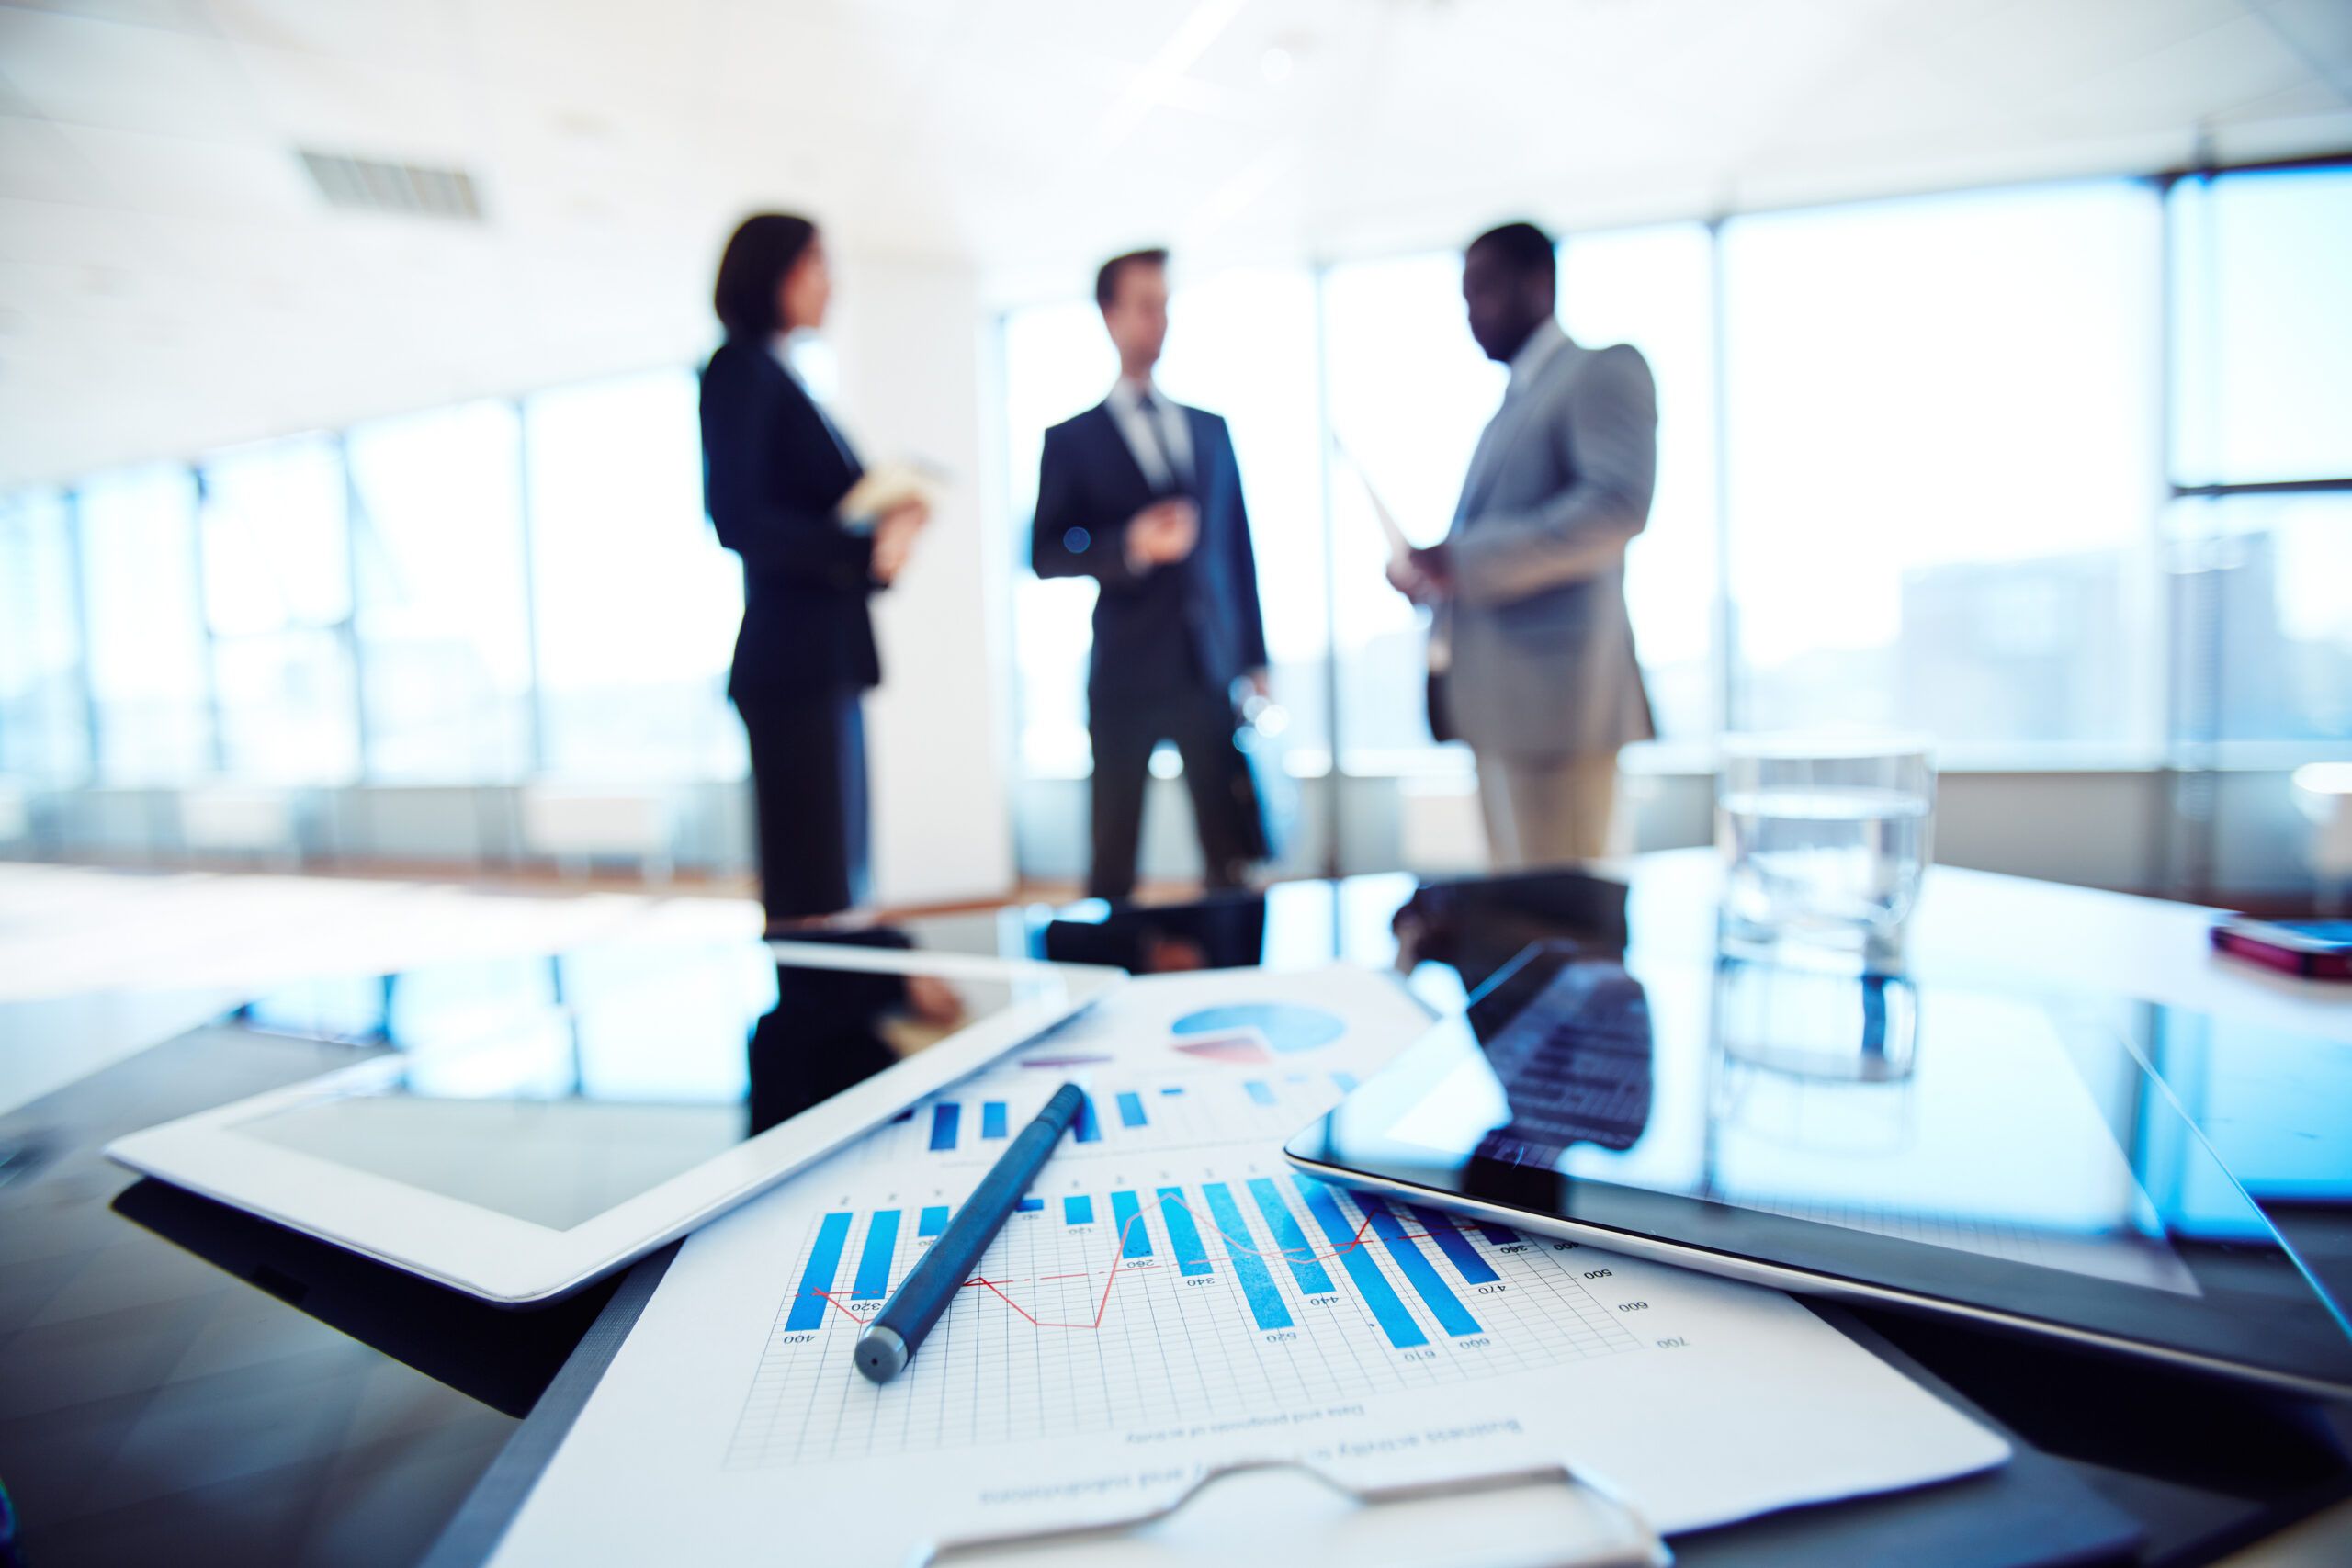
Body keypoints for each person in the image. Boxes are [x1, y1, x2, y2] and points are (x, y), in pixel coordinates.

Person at [1389, 220, 1657, 868]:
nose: (1469, 315)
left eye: (1481, 292)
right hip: (1498, 712)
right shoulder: (1511, 405)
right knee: (1520, 919)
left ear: (1539, 283)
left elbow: (1615, 506)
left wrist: (1465, 559)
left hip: (1560, 712)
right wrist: (1436, 576)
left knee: (1566, 930)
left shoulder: (1601, 371)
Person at [701, 214, 928, 924]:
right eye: (817, 266)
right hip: (792, 664)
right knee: (814, 894)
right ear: (773, 275)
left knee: (841, 886)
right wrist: (861, 547)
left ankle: (838, 1026)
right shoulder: (740, 369)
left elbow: (822, 522)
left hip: (824, 660)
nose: (833, 284)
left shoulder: (783, 375)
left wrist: (884, 543)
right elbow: (738, 518)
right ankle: (817, 1033)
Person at [1031, 248, 1270, 901]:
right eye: (1142, 306)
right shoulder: (1071, 440)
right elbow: (1045, 552)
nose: (1156, 321)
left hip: (1207, 667)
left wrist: (1255, 658)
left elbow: (1237, 551)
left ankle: (1234, 979)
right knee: (1113, 849)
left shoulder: (1210, 430)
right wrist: (1129, 545)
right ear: (1109, 316)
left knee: (1231, 850)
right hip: (1125, 673)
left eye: (1164, 305)